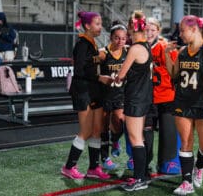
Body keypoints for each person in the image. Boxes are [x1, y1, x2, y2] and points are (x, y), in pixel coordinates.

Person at [165, 15, 203, 195]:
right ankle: (186, 181)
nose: (180, 34)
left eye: (182, 30)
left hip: (202, 103)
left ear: (194, 29)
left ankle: (199, 166)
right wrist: (167, 54)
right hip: (182, 101)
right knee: (186, 141)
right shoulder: (182, 51)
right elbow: (173, 74)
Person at [61, 11, 113, 180]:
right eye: (97, 24)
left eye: (100, 23)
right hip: (82, 91)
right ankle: (69, 166)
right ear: (88, 26)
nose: (100, 27)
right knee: (86, 131)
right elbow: (80, 70)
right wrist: (99, 75)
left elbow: (91, 64)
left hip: (94, 90)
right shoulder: (82, 44)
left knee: (97, 130)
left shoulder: (93, 44)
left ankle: (93, 168)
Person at [115, 10, 153, 191]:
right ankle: (143, 175)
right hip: (144, 97)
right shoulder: (146, 46)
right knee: (140, 138)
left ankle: (139, 179)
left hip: (135, 98)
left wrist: (112, 78)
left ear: (132, 28)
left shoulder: (135, 48)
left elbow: (120, 76)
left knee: (135, 138)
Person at [145, 17, 181, 175]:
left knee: (168, 131)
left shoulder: (166, 47)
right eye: (147, 29)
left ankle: (167, 161)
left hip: (166, 96)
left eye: (153, 30)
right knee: (145, 133)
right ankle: (143, 161)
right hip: (147, 98)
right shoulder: (139, 47)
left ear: (158, 31)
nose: (149, 33)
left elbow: (175, 72)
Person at [99, 21, 128, 170]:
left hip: (120, 95)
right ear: (111, 37)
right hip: (104, 95)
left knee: (120, 121)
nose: (120, 41)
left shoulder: (128, 52)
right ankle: (105, 158)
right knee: (103, 127)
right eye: (117, 38)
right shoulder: (103, 53)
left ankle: (115, 140)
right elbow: (91, 72)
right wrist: (100, 77)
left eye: (123, 38)